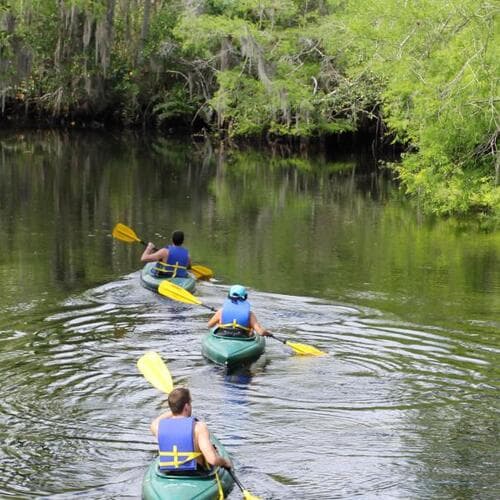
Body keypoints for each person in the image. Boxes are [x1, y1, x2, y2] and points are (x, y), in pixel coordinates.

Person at [150, 387, 232, 472]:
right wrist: (225, 463)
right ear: (186, 406)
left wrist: (174, 408)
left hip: (167, 472)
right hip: (195, 473)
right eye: (190, 403)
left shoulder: (159, 427)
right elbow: (213, 460)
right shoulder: (199, 428)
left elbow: (154, 423)